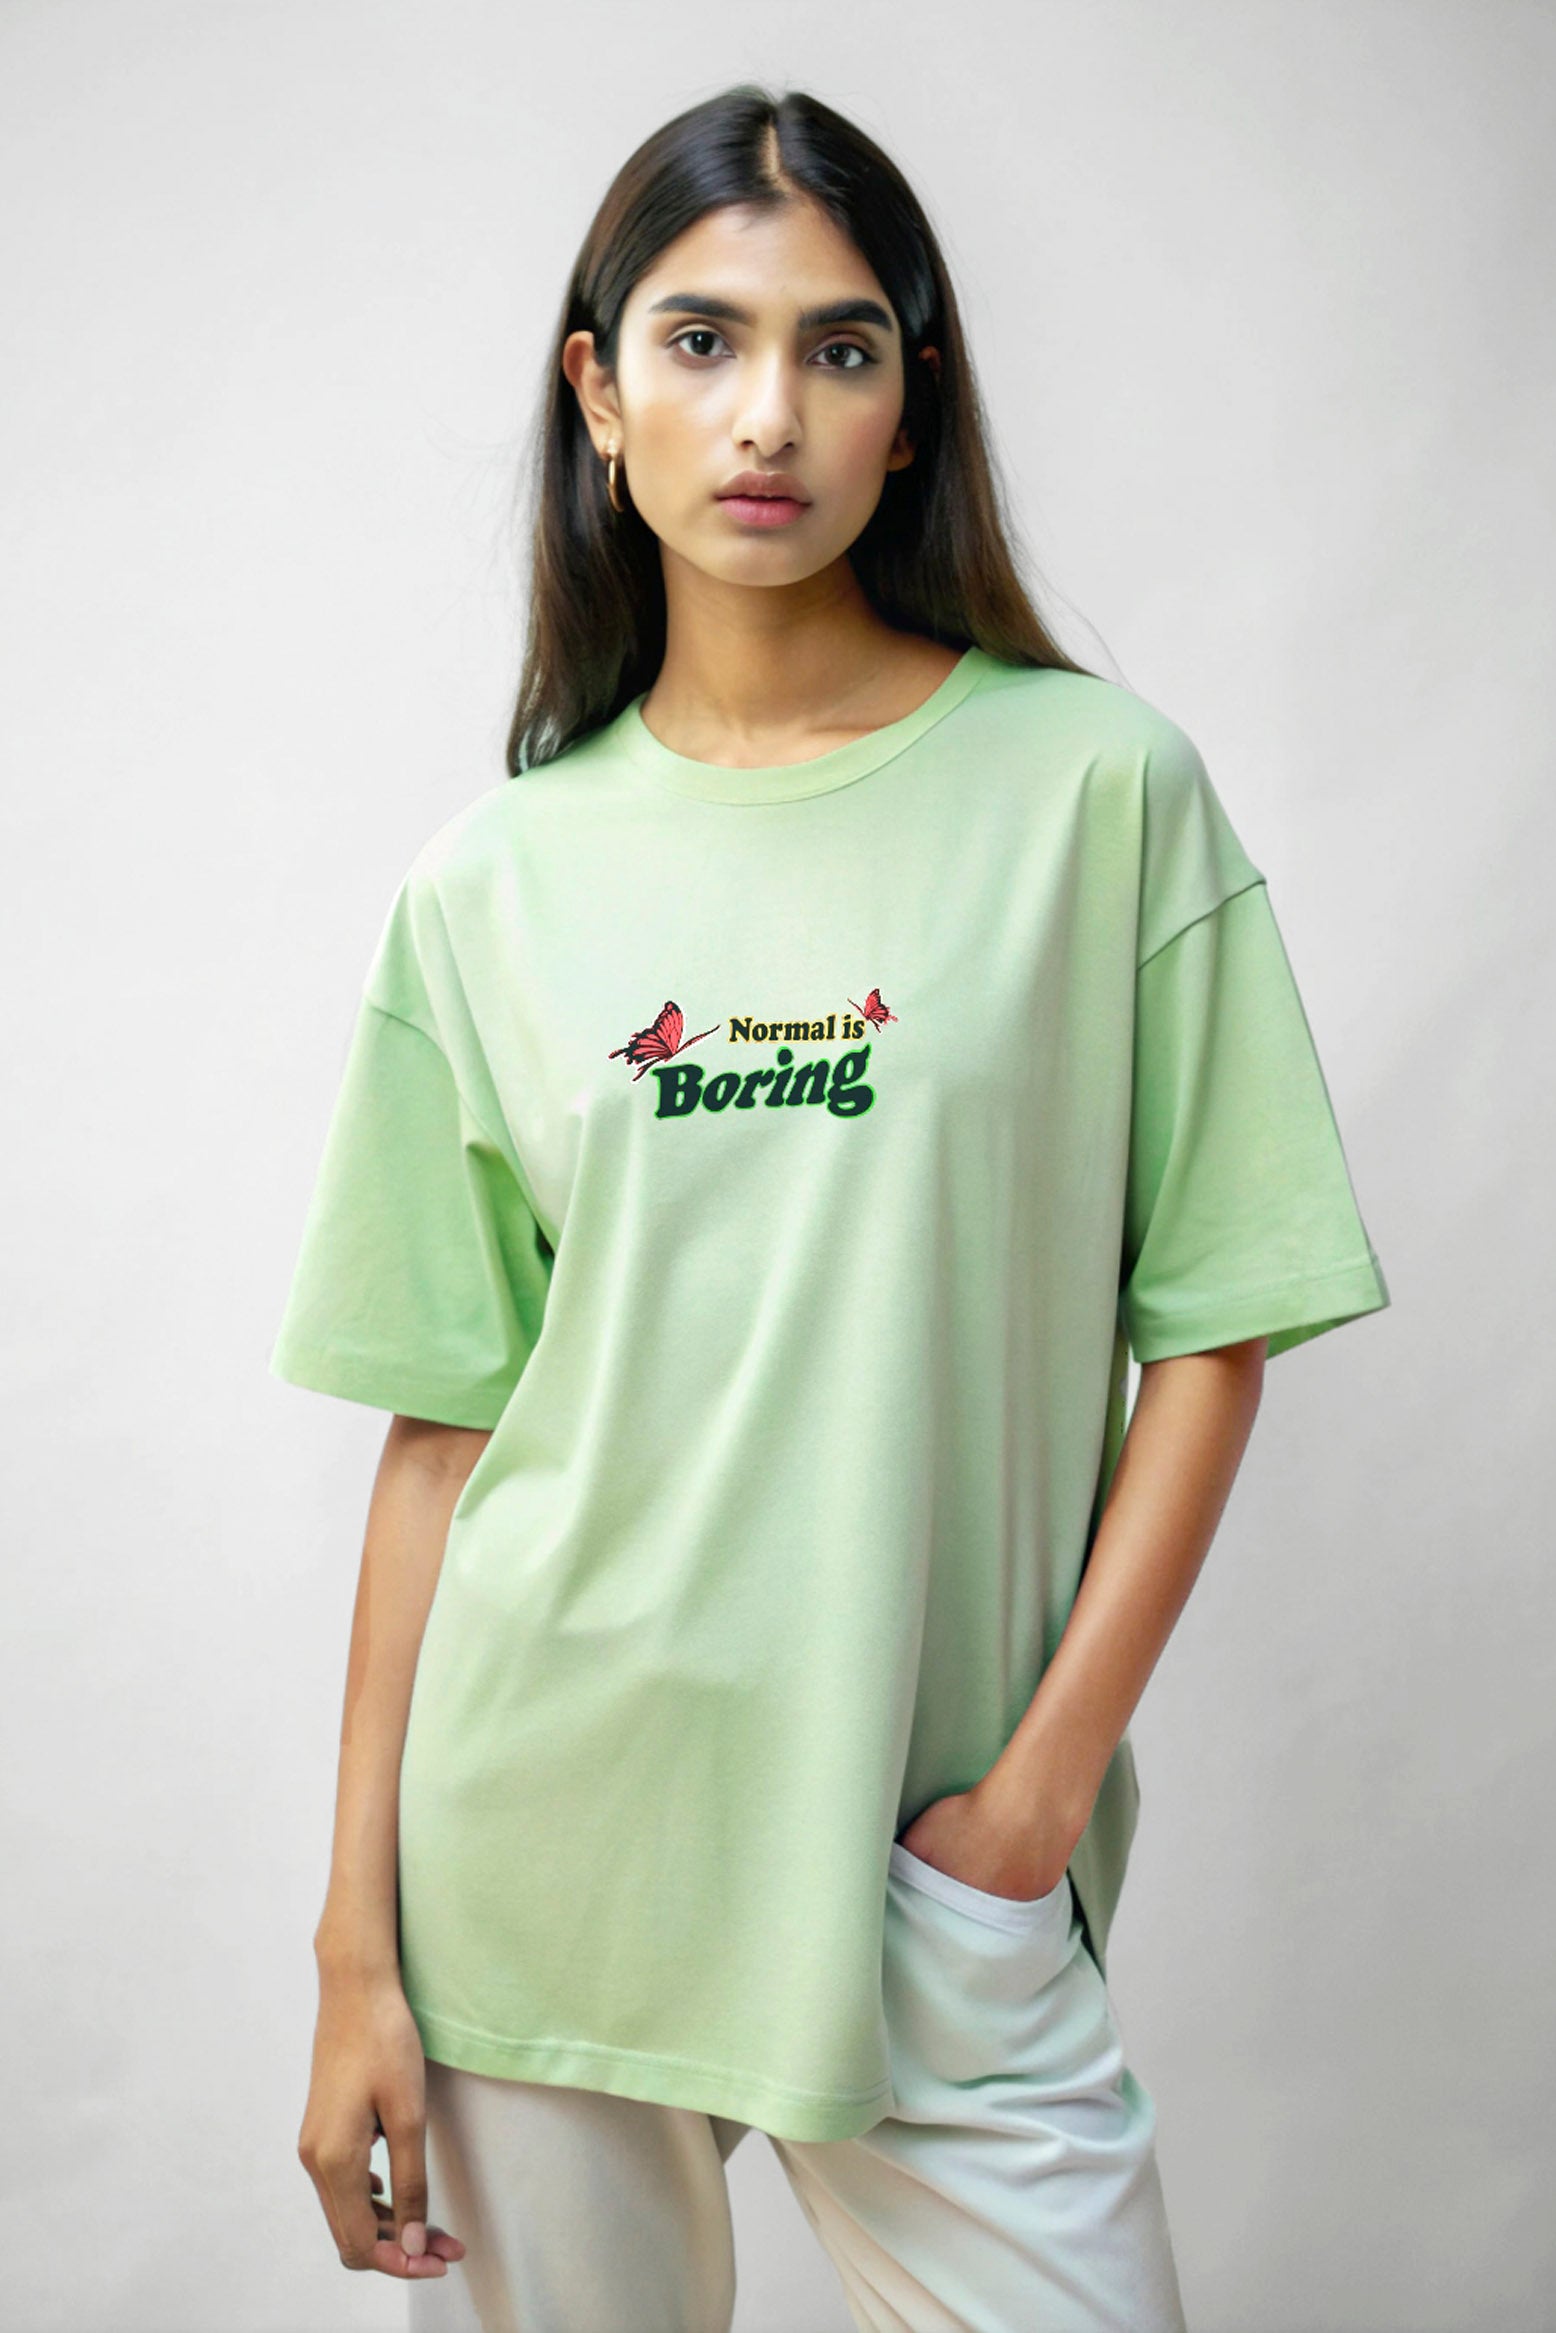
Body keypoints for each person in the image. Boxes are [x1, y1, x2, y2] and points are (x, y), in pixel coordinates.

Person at [271, 83, 1391, 2333]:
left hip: (934, 1859)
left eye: (839, 346)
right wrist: (353, 1952)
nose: (768, 410)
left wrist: (1030, 1809)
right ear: (600, 396)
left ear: (912, 402)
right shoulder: (488, 889)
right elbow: (442, 1436)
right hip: (551, 1857)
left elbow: (1216, 1327)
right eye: (699, 340)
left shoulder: (1099, 796)